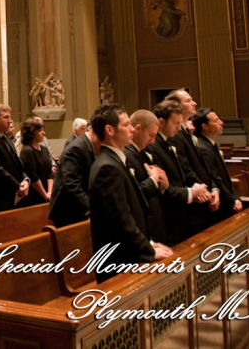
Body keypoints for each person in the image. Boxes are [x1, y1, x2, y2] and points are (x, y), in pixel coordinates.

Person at [89, 103, 172, 282]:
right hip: (119, 263)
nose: (132, 129)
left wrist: (147, 243)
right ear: (110, 130)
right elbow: (121, 220)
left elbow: (131, 210)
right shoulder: (107, 167)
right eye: (126, 125)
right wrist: (148, 250)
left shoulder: (115, 161)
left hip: (128, 255)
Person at [149, 100, 215, 243]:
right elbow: (164, 188)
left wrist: (196, 192)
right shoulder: (154, 147)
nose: (179, 128)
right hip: (169, 217)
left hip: (180, 212)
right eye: (175, 123)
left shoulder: (167, 142)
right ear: (161, 122)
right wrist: (190, 193)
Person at [125, 110, 170, 246]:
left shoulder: (141, 153)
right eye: (151, 135)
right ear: (138, 129)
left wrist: (163, 184)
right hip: (143, 227)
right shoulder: (127, 155)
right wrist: (153, 180)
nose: (152, 141)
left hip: (155, 223)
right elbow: (132, 195)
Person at [191, 108, 243, 219]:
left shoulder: (210, 144)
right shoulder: (203, 147)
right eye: (216, 120)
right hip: (220, 206)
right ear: (205, 126)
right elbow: (215, 177)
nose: (221, 122)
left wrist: (236, 197)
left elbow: (225, 177)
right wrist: (231, 200)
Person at [50, 118, 97, 227]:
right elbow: (71, 183)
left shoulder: (86, 145)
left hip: (77, 209)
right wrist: (90, 206)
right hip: (68, 211)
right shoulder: (75, 147)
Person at [16, 117, 53, 207]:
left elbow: (50, 173)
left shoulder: (44, 149)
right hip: (34, 195)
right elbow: (33, 177)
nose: (43, 133)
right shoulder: (27, 150)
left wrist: (50, 192)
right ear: (32, 133)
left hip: (47, 192)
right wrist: (45, 195)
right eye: (40, 130)